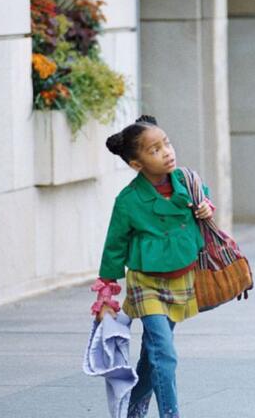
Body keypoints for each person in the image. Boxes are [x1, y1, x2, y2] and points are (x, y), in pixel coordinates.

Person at [92, 115, 215, 418]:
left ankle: (134, 406)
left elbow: (206, 198)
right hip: (146, 283)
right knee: (165, 354)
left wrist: (205, 207)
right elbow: (114, 246)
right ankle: (170, 414)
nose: (167, 152)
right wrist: (106, 297)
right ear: (137, 164)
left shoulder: (186, 181)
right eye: (155, 150)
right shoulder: (128, 200)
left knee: (154, 352)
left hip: (180, 277)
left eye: (167, 144)